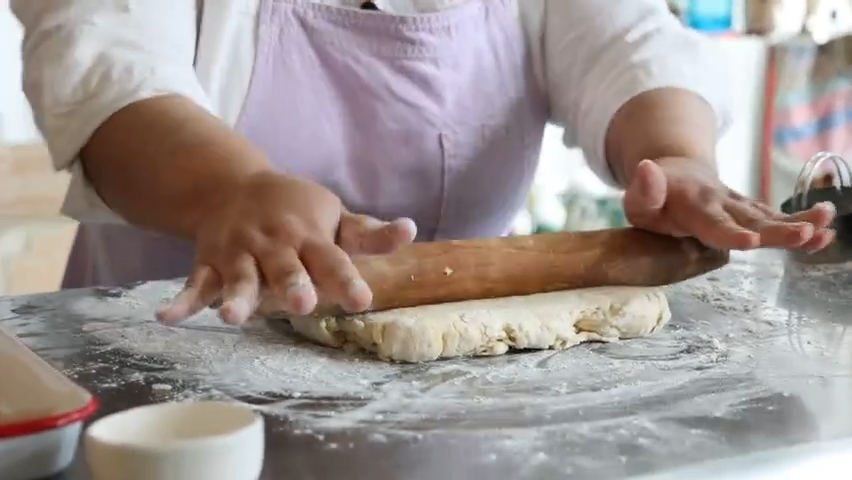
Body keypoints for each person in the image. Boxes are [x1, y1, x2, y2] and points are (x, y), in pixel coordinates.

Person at [12, 0, 835, 327]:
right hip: (163, 395)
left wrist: (675, 158)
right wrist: (234, 189)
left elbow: (630, 46)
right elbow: (106, 66)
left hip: (450, 399)